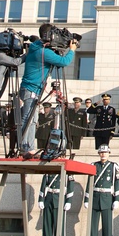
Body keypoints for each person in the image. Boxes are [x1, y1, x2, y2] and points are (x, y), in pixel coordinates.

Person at [20, 26, 78, 158]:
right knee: (30, 119)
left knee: (32, 119)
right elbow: (64, 61)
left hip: (29, 88)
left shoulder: (36, 46)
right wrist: (72, 50)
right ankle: (26, 147)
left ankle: (27, 146)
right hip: (32, 89)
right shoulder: (44, 53)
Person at [90, 145, 119, 236]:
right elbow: (89, 183)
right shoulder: (94, 165)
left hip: (107, 199)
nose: (103, 154)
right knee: (92, 228)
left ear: (109, 153)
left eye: (105, 152)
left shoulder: (113, 166)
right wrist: (87, 199)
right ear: (99, 154)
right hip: (95, 198)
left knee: (107, 228)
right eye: (101, 152)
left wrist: (116, 199)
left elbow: (117, 183)